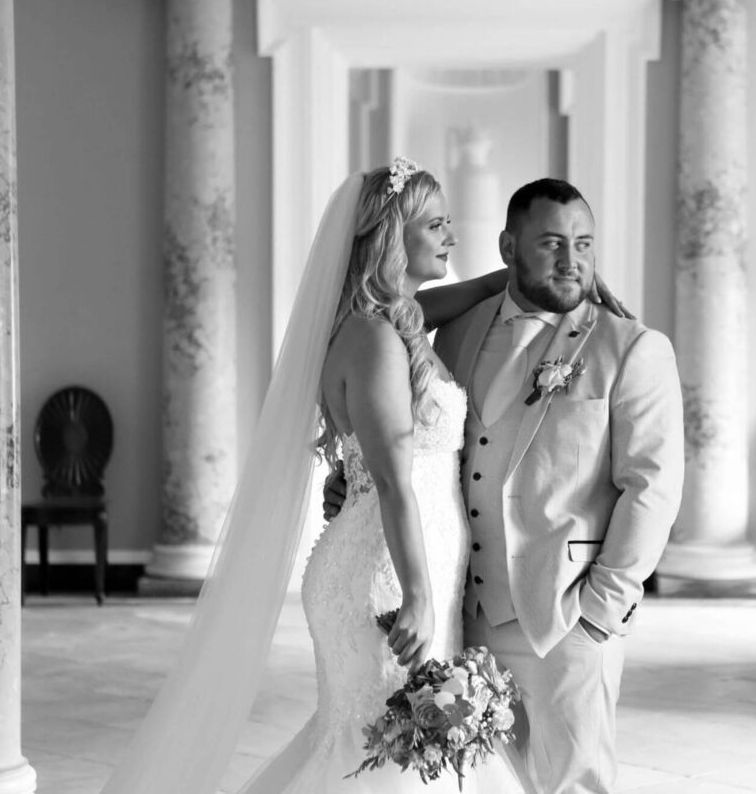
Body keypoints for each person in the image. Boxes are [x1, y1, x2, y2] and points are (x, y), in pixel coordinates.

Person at [100, 159, 523, 794]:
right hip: (387, 575)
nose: (450, 237)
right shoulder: (376, 341)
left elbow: (445, 298)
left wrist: (521, 276)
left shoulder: (392, 321)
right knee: (385, 751)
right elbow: (392, 481)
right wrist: (419, 594)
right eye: (435, 225)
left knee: (379, 746)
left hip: (404, 559)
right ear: (390, 236)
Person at [327, 178, 685, 793]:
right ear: (507, 247)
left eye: (584, 244)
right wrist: (352, 481)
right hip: (461, 614)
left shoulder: (631, 347)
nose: (572, 261)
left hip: (566, 616)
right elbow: (418, 442)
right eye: (550, 243)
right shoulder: (455, 333)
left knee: (574, 783)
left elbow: (653, 490)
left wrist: (600, 612)